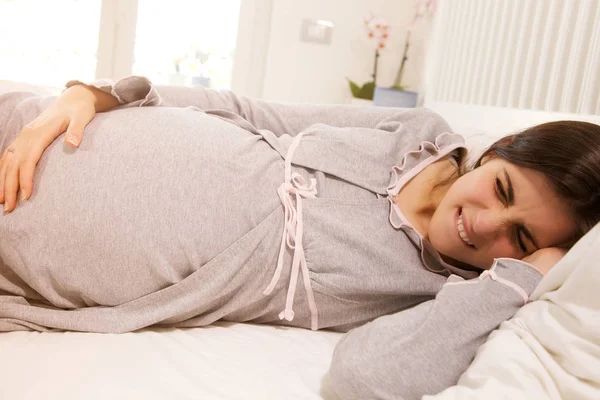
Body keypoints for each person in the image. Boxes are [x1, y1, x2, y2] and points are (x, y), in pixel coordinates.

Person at [0, 76, 599, 398]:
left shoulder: (439, 294)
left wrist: (514, 280)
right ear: (493, 153)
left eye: (520, 238)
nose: (486, 225)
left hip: (18, 251)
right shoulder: (419, 131)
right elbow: (246, 108)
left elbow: (368, 379)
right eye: (501, 189)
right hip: (33, 124)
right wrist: (92, 94)